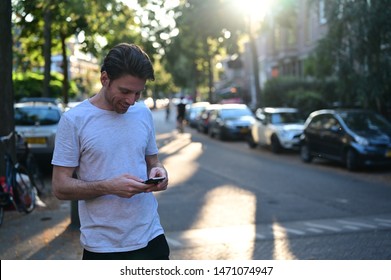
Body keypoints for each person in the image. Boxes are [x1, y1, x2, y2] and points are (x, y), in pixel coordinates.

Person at [51, 43, 170, 260]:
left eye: (138, 92)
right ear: (104, 79)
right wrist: (109, 187)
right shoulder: (74, 120)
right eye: (125, 91)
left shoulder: (142, 112)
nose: (131, 101)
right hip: (103, 248)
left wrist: (159, 173)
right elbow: (60, 187)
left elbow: (154, 162)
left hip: (152, 237)